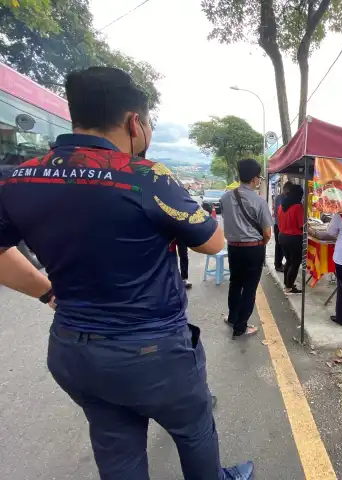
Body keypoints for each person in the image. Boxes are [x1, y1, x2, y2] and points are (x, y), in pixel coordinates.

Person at [0, 66, 253, 480]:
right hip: (151, 354)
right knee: (194, 429)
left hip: (72, 350)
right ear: (134, 122)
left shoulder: (20, 177)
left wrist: (47, 292)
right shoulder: (145, 177)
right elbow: (212, 242)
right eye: (149, 123)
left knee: (117, 449)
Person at [220, 158, 272, 339]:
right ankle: (240, 327)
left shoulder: (225, 197)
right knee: (249, 288)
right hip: (253, 249)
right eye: (259, 177)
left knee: (235, 283)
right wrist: (262, 245)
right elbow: (267, 233)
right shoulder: (259, 202)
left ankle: (233, 318)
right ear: (254, 178)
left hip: (233, 248)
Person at [277, 184, 304, 295]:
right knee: (295, 263)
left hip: (282, 236)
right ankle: (289, 288)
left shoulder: (281, 206)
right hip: (294, 238)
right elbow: (301, 225)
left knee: (288, 260)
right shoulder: (298, 207)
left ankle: (287, 284)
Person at [273, 181, 292, 272]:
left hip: (284, 226)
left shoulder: (288, 198)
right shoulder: (279, 198)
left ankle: (280, 263)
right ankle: (278, 264)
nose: (289, 193)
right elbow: (278, 212)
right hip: (278, 225)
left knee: (282, 246)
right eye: (288, 190)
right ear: (285, 189)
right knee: (279, 246)